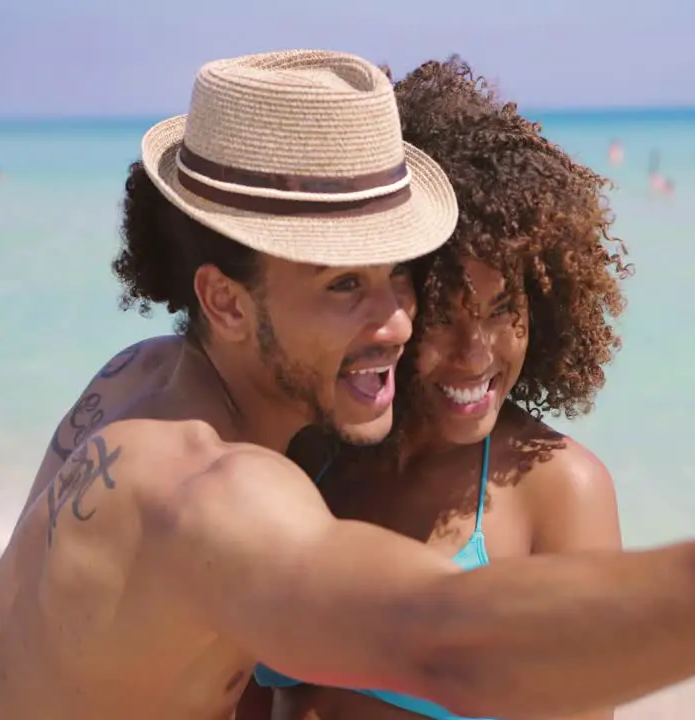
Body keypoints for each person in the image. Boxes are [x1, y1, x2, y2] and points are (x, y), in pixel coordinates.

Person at [0, 49, 695, 720]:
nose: (396, 321)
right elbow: (446, 638)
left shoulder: (135, 382)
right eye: (343, 284)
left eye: (403, 279)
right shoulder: (215, 494)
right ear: (228, 299)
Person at [243, 56, 629, 720]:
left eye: (504, 308)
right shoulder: (312, 453)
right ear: (390, 305)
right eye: (446, 313)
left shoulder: (559, 493)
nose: (475, 353)